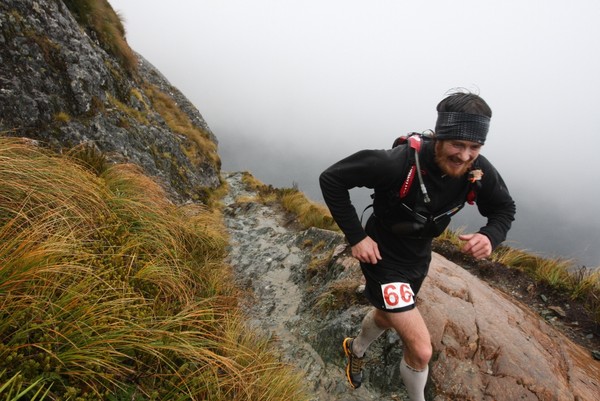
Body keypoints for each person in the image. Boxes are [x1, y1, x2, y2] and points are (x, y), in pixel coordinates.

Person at [319, 90, 516, 401]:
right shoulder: (396, 163)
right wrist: (356, 237)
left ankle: (355, 349)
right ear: (439, 137)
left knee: (387, 315)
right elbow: (332, 179)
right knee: (421, 349)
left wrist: (490, 236)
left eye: (474, 147)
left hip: (419, 256)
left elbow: (504, 208)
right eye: (457, 144)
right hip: (382, 256)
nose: (465, 156)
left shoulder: (477, 171)